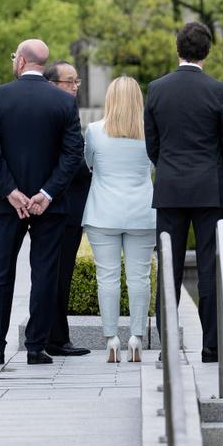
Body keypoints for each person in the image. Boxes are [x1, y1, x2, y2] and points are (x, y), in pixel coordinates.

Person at [0, 39, 84, 366]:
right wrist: (47, 193)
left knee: (1, 272)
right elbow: (72, 153)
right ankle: (36, 347)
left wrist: (10, 191)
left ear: (20, 61)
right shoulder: (63, 103)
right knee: (45, 272)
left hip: (9, 204)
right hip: (50, 205)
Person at [145, 21, 223, 363]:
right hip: (208, 189)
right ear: (208, 51)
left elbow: (152, 144)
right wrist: (213, 171)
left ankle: (167, 347)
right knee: (209, 268)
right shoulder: (218, 90)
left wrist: (169, 168)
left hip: (169, 188)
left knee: (168, 268)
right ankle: (211, 346)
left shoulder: (156, 89)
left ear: (177, 49)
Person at [83, 76, 155, 363]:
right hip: (142, 212)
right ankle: (136, 338)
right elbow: (154, 164)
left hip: (103, 212)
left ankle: (111, 338)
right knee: (140, 277)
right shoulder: (150, 132)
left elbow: (89, 163)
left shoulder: (94, 130)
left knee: (107, 277)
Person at [42, 60, 92, 358]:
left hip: (63, 201)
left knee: (60, 272)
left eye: (77, 81)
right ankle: (55, 338)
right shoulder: (61, 110)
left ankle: (56, 335)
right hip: (64, 202)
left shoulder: (61, 108)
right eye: (69, 81)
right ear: (53, 84)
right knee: (58, 273)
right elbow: (70, 158)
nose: (75, 86)